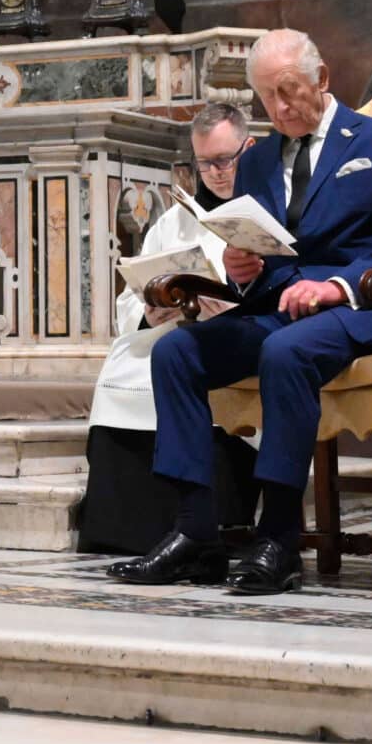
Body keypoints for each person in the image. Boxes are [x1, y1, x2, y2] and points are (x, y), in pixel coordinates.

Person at [106, 29, 372, 594]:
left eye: (289, 91)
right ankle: (196, 534)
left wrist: (334, 286)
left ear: (322, 79)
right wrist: (242, 269)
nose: (279, 109)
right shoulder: (257, 164)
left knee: (285, 351)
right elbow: (268, 258)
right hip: (280, 308)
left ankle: (278, 536)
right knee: (178, 351)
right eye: (266, 98)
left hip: (369, 309)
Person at [79, 104, 256, 554]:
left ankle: (206, 525)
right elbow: (131, 293)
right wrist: (149, 310)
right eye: (204, 163)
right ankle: (122, 532)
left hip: (232, 335)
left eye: (225, 160)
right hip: (168, 331)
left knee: (181, 361)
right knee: (122, 367)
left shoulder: (265, 213)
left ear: (247, 147)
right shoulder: (175, 220)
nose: (216, 173)